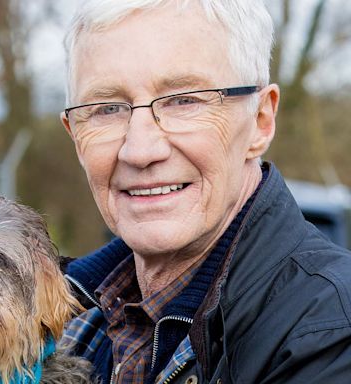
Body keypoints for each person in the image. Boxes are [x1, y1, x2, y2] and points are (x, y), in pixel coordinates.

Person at [58, 1, 351, 383]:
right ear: (75, 135)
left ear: (260, 121)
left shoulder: (329, 332)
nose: (141, 149)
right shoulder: (55, 322)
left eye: (184, 101)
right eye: (107, 109)